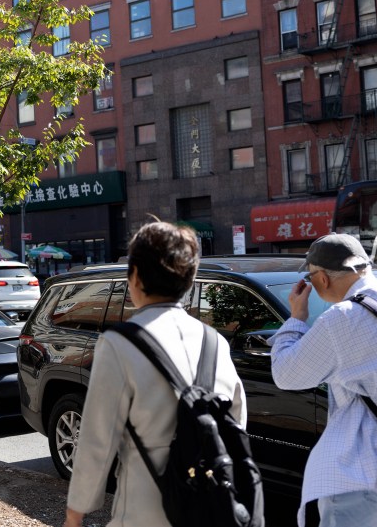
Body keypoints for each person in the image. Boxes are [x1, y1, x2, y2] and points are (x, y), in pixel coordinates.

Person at [64, 221, 246, 527]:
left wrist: (75, 514)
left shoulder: (119, 343)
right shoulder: (215, 343)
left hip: (144, 507)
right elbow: (235, 423)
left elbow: (97, 439)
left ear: (134, 276)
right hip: (208, 506)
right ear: (190, 280)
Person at [270, 233, 377, 527]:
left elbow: (286, 374)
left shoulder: (343, 318)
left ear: (321, 278)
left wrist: (296, 317)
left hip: (365, 473)